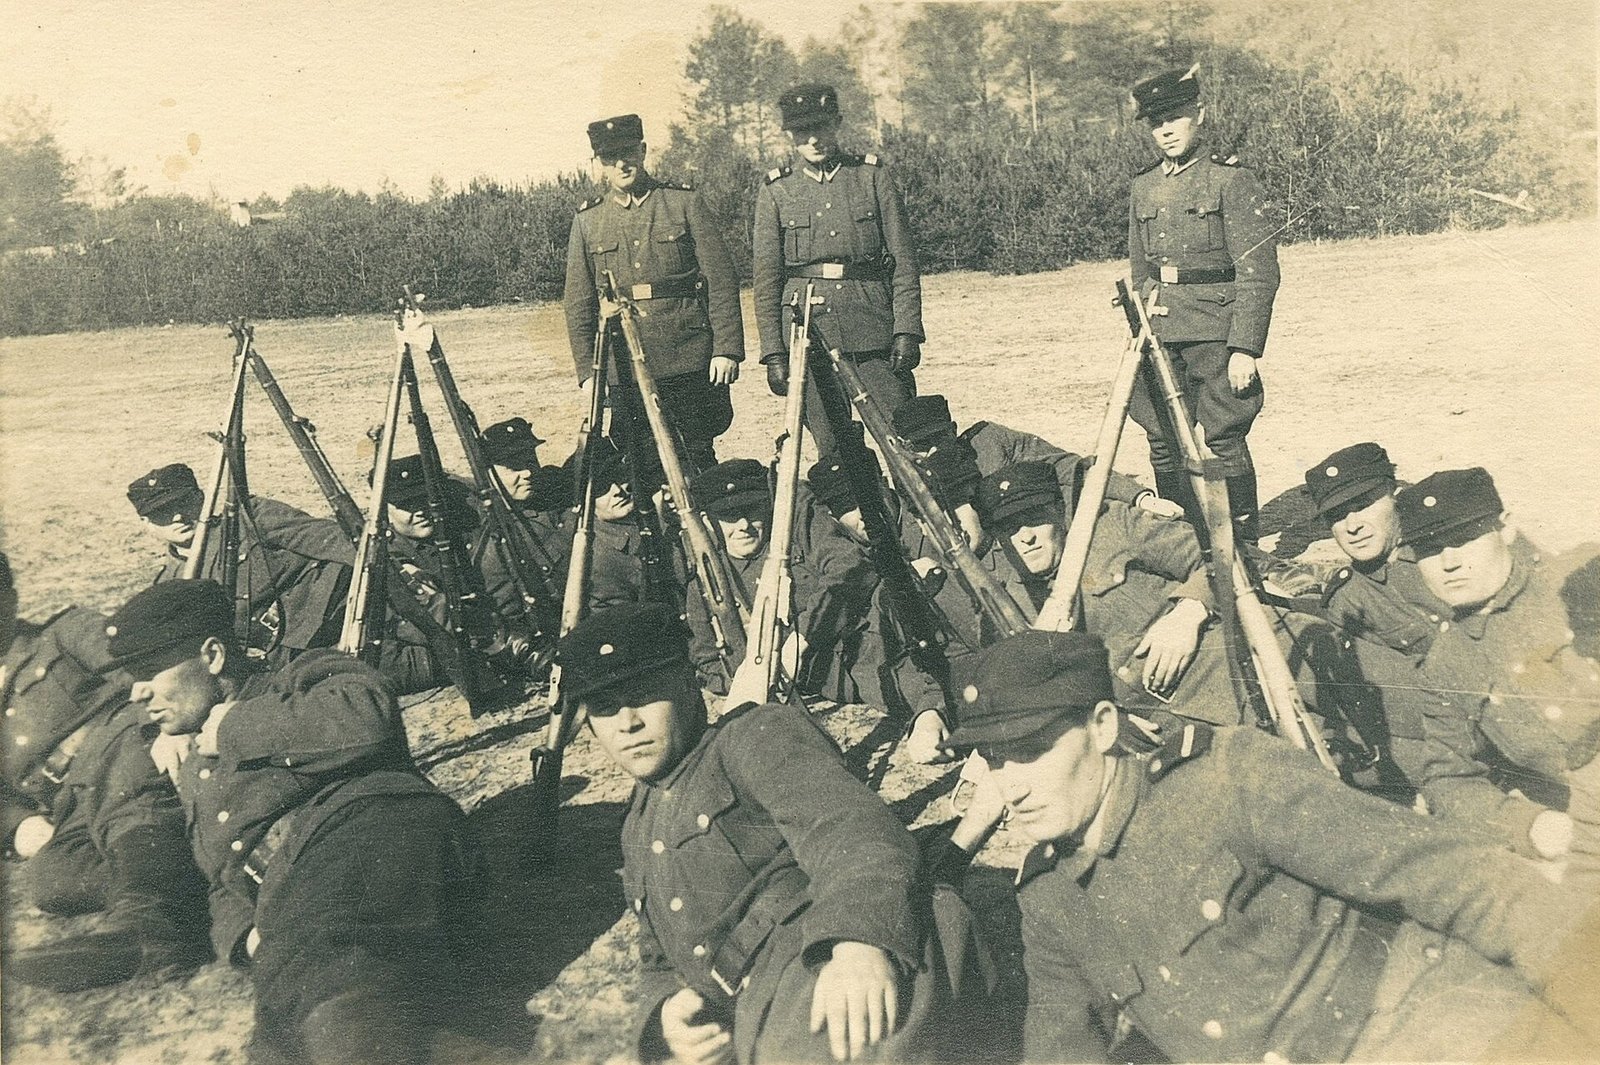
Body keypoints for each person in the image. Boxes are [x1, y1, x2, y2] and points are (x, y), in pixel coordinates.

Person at [951, 628, 1594, 1063]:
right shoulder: (1048, 895)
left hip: (1413, 1028)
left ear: (1102, 725)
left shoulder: (1226, 776)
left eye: (1029, 752)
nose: (1008, 787)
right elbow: (1063, 1048)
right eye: (991, 761)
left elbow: (1449, 873)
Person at [559, 602, 991, 1064]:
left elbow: (851, 828)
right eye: (606, 708)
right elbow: (657, 954)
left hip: (818, 971)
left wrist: (858, 944)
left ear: (689, 687)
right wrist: (664, 1011)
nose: (628, 723)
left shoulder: (752, 738)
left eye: (645, 695)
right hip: (748, 1022)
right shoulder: (638, 822)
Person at [108, 579, 479, 1064]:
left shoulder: (304, 673)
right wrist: (245, 936)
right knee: (286, 1037)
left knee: (326, 1002)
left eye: (149, 673)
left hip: (368, 835)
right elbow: (219, 876)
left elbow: (369, 714)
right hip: (298, 904)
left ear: (213, 656)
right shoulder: (192, 762)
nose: (138, 693)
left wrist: (237, 725)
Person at [2, 552, 210, 992]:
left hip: (122, 742)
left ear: (11, 598)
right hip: (69, 801)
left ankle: (141, 933)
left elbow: (147, 661)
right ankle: (182, 908)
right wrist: (17, 825)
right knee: (50, 880)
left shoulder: (63, 633)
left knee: (128, 807)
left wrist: (170, 724)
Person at [1398, 467, 1600, 861]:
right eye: (1428, 549)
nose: (1447, 562)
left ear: (1506, 528)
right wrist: (1529, 824)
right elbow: (1448, 779)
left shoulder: (1580, 580)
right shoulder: (1446, 664)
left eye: (1462, 538)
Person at [1126, 67, 1281, 543]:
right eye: (1156, 123)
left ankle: (1246, 546)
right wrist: (1142, 331)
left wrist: (1244, 347)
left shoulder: (1231, 181)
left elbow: (1258, 272)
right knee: (1162, 438)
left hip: (1217, 328)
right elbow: (1139, 271)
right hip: (1160, 331)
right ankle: (1187, 543)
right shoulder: (1144, 186)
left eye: (1175, 117)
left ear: (1199, 115)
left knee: (1224, 437)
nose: (1166, 130)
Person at [562, 113, 745, 480]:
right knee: (638, 459)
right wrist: (587, 372)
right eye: (610, 157)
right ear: (599, 162)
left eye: (628, 152)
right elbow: (578, 303)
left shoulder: (682, 204)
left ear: (643, 150)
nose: (621, 163)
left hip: (688, 356)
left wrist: (726, 349)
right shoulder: (588, 221)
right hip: (623, 362)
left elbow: (721, 281)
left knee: (696, 454)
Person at [753, 83, 923, 460]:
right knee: (835, 450)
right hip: (807, 334)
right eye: (802, 131)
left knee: (903, 437)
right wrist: (774, 354)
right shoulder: (777, 190)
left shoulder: (871, 177)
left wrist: (907, 330)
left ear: (838, 124)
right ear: (790, 135)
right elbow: (766, 281)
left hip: (872, 330)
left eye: (822, 127)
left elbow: (904, 262)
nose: (813, 139)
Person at [129, 462, 353, 666]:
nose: (178, 516)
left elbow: (337, 541)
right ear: (146, 522)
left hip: (331, 629)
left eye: (184, 503)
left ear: (201, 497)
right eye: (163, 512)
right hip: (269, 665)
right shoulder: (167, 584)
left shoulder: (249, 519)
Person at [683, 458, 873, 695]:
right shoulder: (707, 582)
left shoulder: (788, 546)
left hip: (844, 664)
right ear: (707, 522)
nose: (743, 525)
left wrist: (802, 637)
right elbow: (706, 659)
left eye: (751, 510)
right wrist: (743, 682)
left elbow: (850, 569)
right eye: (729, 515)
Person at [891, 394, 1184, 520]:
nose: (933, 452)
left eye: (940, 439)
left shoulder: (989, 442)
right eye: (920, 445)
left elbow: (1068, 467)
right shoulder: (907, 484)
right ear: (904, 446)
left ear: (953, 430)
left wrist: (1139, 498)